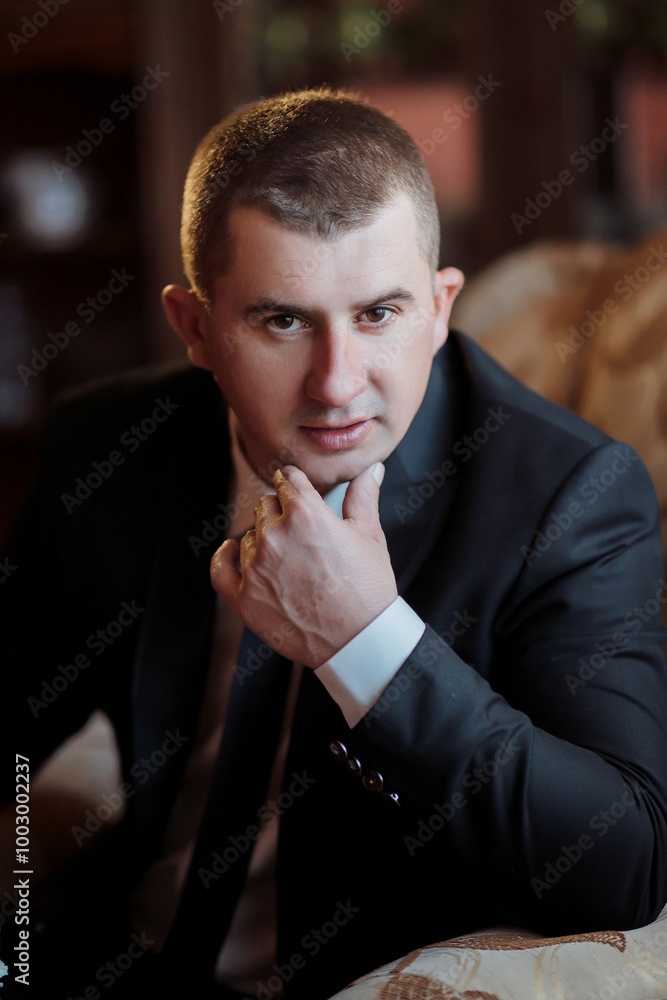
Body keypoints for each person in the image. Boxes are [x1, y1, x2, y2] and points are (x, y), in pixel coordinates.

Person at [2, 86, 667, 1000]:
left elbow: (624, 863)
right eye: (282, 320)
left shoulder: (570, 496)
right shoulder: (107, 448)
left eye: (378, 314)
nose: (337, 385)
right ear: (196, 327)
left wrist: (366, 640)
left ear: (439, 307)